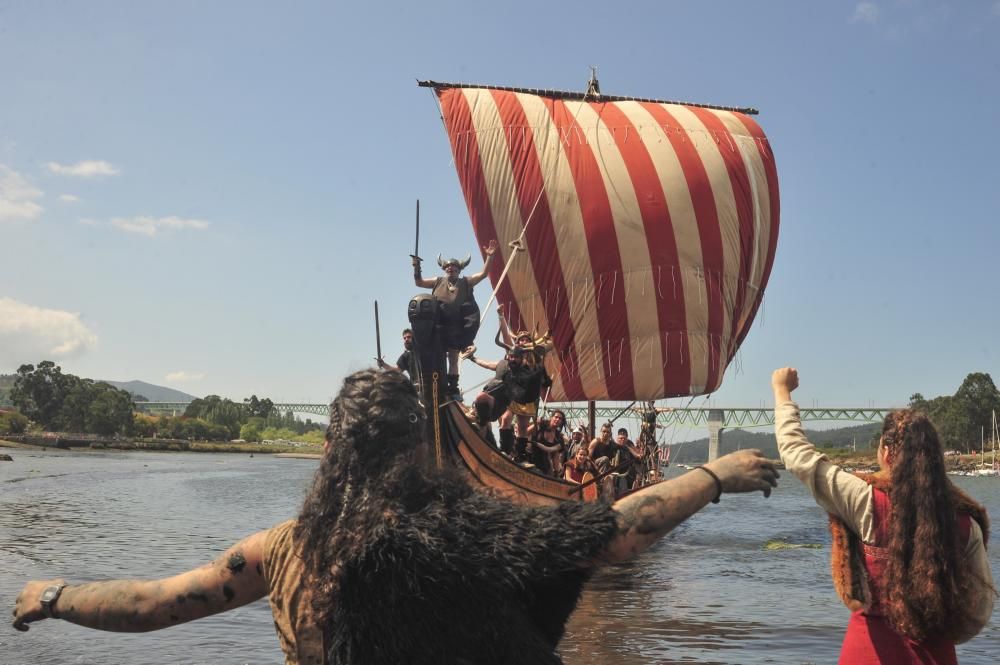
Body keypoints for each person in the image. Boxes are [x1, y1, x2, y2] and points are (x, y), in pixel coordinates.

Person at [14, 368, 780, 665]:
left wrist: (54, 595)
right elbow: (616, 531)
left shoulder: (281, 550)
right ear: (417, 446)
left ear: (329, 449)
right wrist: (715, 473)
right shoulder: (466, 530)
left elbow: (153, 604)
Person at [771, 367, 994, 664]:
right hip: (936, 654)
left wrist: (781, 391)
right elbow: (979, 611)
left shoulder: (864, 499)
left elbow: (798, 456)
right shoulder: (966, 523)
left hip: (867, 652)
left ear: (887, 453)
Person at [413, 240, 497, 400]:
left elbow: (483, 274)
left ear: (459, 269)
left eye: (454, 267)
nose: (450, 268)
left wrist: (490, 258)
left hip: (456, 328)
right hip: (438, 325)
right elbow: (419, 282)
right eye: (448, 267)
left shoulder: (465, 282)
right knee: (435, 355)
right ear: (444, 269)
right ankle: (433, 384)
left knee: (452, 358)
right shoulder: (438, 281)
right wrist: (416, 267)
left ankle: (453, 388)